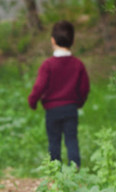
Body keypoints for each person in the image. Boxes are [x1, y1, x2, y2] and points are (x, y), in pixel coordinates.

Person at [28, 20, 90, 167]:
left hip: (52, 110)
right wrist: (78, 102)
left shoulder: (48, 65)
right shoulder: (78, 64)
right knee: (71, 140)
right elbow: (85, 88)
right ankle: (75, 173)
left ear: (52, 40)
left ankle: (56, 175)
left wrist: (33, 101)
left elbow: (39, 86)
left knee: (54, 142)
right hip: (70, 109)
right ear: (73, 41)